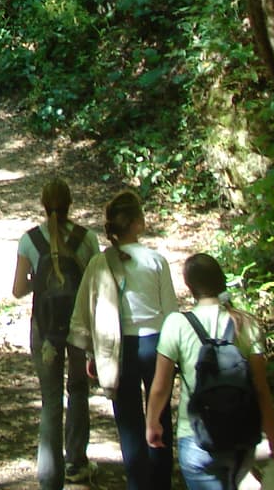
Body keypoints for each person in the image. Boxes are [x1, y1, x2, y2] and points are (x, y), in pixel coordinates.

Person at [68, 189, 178, 490]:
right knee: (160, 414)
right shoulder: (156, 260)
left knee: (128, 421)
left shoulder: (99, 264)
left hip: (118, 349)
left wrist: (91, 355)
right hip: (157, 346)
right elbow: (170, 311)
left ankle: (138, 482)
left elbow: (85, 311)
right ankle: (161, 481)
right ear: (138, 224)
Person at [145, 254, 274, 490]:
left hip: (197, 437)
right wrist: (272, 437)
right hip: (242, 438)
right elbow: (261, 387)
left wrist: (152, 423)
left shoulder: (176, 324)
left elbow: (160, 386)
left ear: (189, 286)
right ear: (221, 280)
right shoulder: (246, 323)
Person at [13, 179, 99, 490]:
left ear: (42, 204)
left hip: (45, 330)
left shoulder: (30, 241)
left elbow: (18, 290)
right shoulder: (86, 239)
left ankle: (50, 478)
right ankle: (77, 463)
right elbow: (95, 286)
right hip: (78, 329)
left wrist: (41, 279)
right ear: (70, 203)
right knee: (78, 392)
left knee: (51, 401)